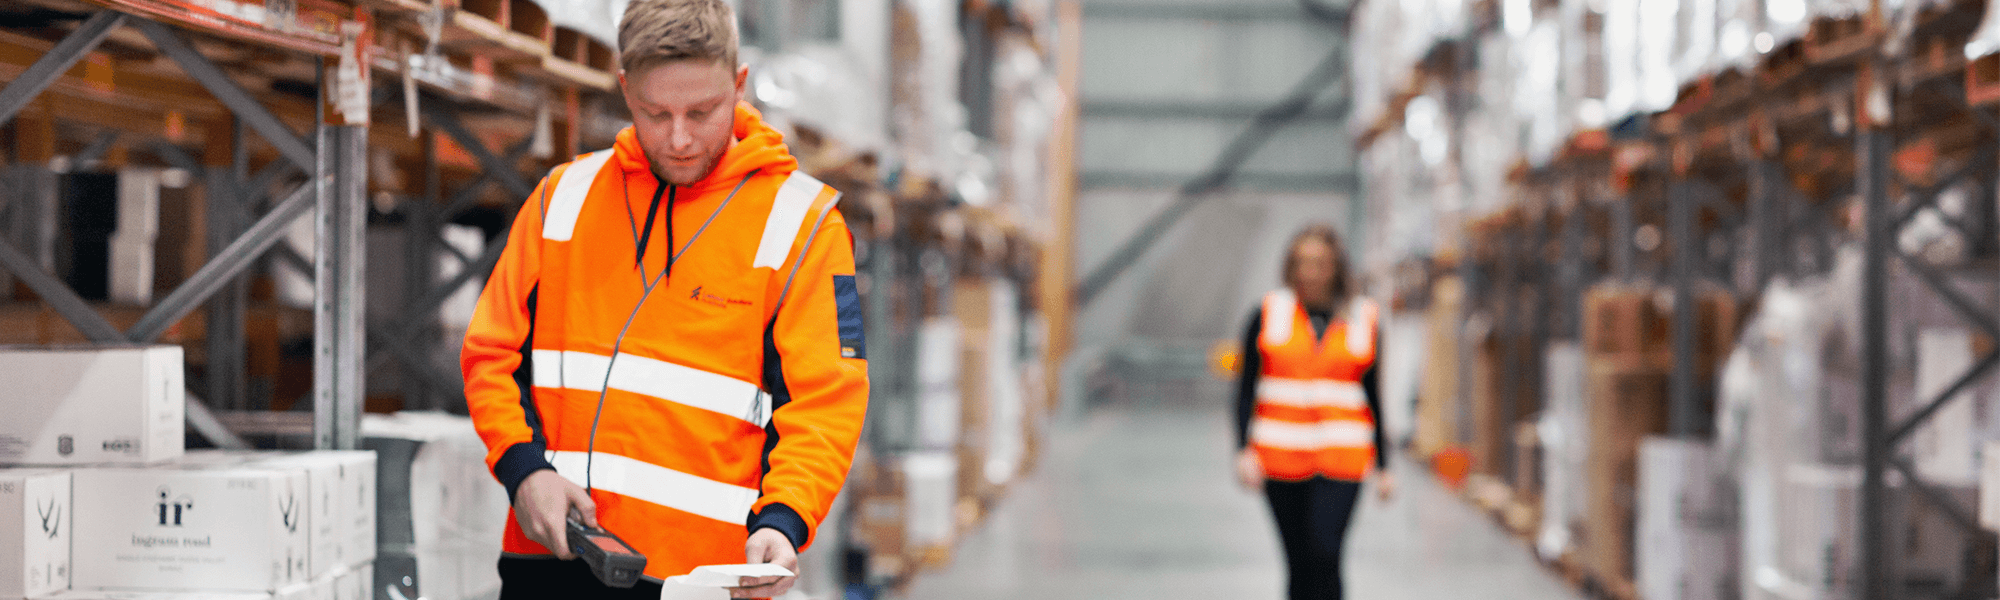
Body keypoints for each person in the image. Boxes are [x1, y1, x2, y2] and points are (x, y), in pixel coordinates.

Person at [460, 0, 869, 596]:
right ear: (625, 90)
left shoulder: (803, 227)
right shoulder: (562, 200)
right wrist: (523, 472)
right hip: (549, 566)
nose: (679, 139)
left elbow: (826, 403)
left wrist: (786, 519)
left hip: (702, 580)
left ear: (739, 84)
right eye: (656, 114)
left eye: (702, 112)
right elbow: (489, 353)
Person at [1233, 224, 1393, 600]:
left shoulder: (1363, 318)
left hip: (1342, 461)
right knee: (1298, 561)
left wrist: (1385, 466)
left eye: (1320, 263)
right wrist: (1243, 451)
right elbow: (1244, 391)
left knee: (1326, 552)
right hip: (1280, 459)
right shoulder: (1268, 314)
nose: (1311, 272)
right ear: (1291, 267)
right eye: (1302, 263)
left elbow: (1374, 396)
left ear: (1336, 267)